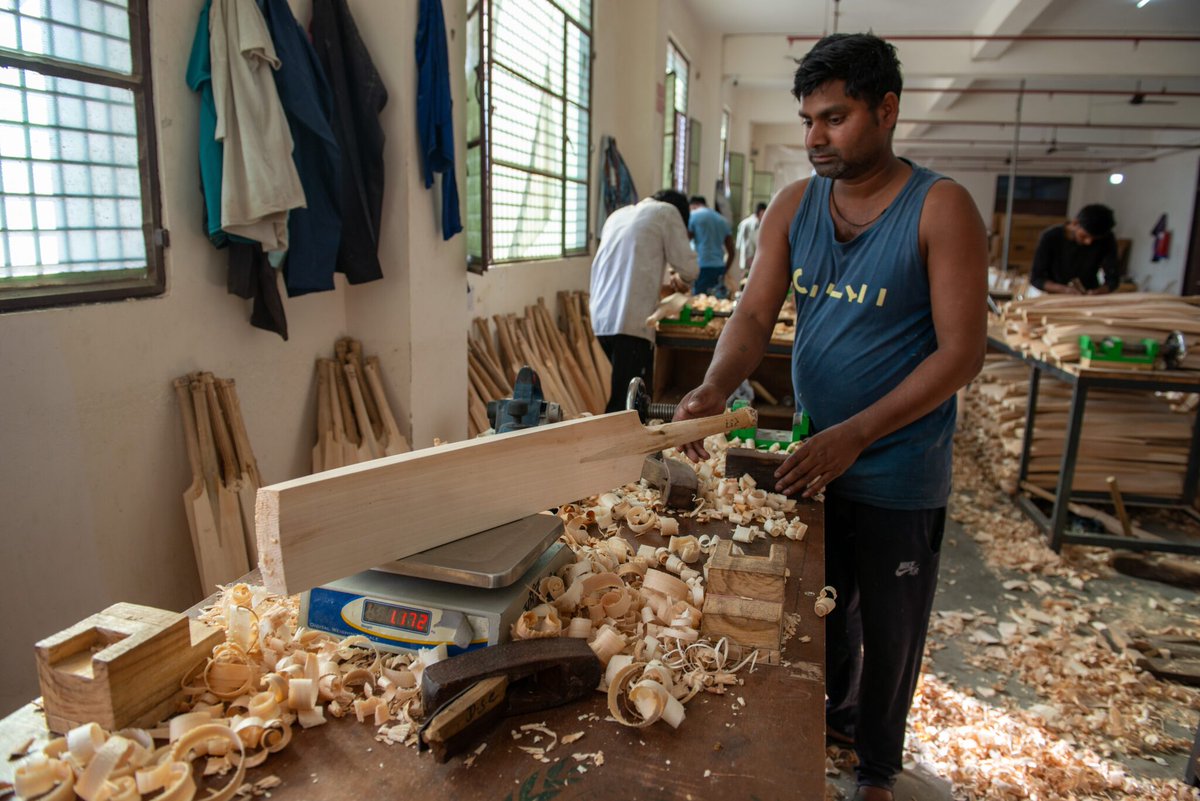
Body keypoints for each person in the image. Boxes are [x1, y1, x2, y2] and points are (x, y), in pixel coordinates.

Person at [672, 33, 987, 801]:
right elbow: (752, 315)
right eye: (808, 118)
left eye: (835, 117)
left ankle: (877, 767)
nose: (814, 137)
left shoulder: (939, 208)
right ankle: (830, 725)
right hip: (816, 459)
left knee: (889, 629)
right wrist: (716, 384)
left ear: (887, 110)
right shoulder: (795, 204)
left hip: (897, 472)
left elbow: (961, 353)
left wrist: (858, 432)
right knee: (820, 610)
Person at [589, 190, 699, 413]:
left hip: (601, 318)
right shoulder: (666, 213)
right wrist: (682, 279)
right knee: (626, 403)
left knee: (628, 394)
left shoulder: (618, 215)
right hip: (630, 321)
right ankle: (618, 447)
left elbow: (637, 263)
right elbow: (689, 268)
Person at [1030, 204, 1119, 294]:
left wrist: (1099, 291)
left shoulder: (1107, 238)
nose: (1088, 242)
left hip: (1090, 294)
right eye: (1084, 236)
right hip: (1055, 295)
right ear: (1075, 223)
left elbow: (1113, 278)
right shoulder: (1051, 237)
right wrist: (1065, 290)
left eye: (1095, 239)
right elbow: (1036, 278)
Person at [687, 195, 734, 297]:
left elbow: (686, 241)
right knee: (716, 303)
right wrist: (725, 270)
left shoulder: (693, 216)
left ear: (693, 206)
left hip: (701, 267)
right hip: (718, 267)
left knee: (699, 303)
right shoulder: (722, 220)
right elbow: (731, 251)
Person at [730, 201, 768, 293]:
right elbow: (747, 245)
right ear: (758, 213)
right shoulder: (750, 224)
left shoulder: (759, 223)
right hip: (749, 260)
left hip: (754, 259)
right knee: (747, 284)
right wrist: (751, 262)